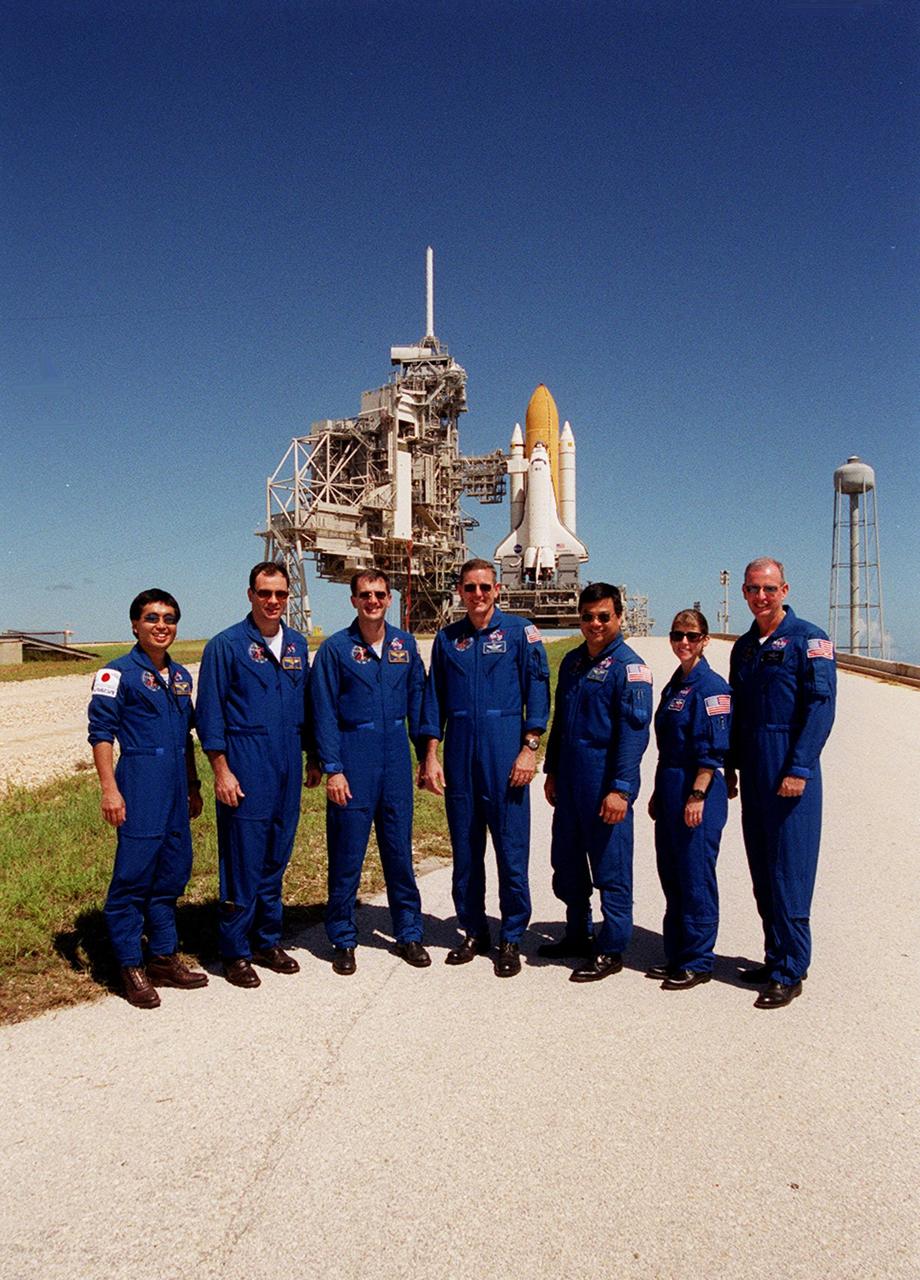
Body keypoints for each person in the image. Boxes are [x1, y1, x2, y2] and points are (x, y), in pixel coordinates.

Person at [419, 558, 550, 977]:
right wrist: (430, 755)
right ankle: (473, 930)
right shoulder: (447, 639)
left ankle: (511, 936)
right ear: (459, 591)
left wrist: (529, 747)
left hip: (505, 753)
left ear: (497, 590)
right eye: (470, 587)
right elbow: (433, 700)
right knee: (466, 850)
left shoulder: (519, 633)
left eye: (485, 587)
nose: (478, 594)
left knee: (511, 851)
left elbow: (538, 691)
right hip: (460, 755)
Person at [196, 562, 320, 987]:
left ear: (288, 597)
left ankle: (267, 940)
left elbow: (304, 706)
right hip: (245, 763)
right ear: (250, 594)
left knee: (276, 855)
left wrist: (314, 756)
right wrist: (221, 770)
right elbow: (210, 714)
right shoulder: (226, 646)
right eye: (265, 593)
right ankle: (234, 950)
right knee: (243, 859)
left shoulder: (297, 645)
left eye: (281, 595)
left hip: (287, 760)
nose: (273, 602)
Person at [88, 590, 208, 1008]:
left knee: (172, 873)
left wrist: (193, 786)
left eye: (170, 618)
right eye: (152, 618)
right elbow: (101, 735)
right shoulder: (115, 673)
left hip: (176, 785)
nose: (162, 625)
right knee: (133, 877)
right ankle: (128, 964)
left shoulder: (180, 677)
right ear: (135, 625)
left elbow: (187, 737)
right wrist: (109, 789)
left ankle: (162, 956)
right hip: (139, 781)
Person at [725, 557, 836, 1010]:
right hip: (753, 768)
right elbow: (736, 712)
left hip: (789, 768)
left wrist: (799, 767)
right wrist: (729, 766)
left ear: (784, 590)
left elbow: (821, 707)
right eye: (753, 589)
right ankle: (774, 956)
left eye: (769, 589)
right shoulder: (745, 648)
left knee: (790, 871)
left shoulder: (811, 640)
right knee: (762, 870)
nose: (761, 597)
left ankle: (792, 969)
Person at [310, 569, 429, 975]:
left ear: (389, 598)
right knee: (347, 854)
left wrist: (427, 755)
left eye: (379, 594)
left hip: (395, 755)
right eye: (365, 595)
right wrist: (333, 769)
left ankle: (410, 932)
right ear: (353, 600)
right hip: (353, 756)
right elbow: (322, 712)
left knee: (399, 851)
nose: (373, 601)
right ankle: (343, 937)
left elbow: (419, 702)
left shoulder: (404, 645)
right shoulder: (336, 650)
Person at [542, 582, 653, 982]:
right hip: (570, 782)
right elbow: (560, 724)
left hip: (604, 782)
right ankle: (577, 933)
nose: (595, 624)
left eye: (604, 616)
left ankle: (611, 947)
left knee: (611, 868)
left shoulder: (630, 668)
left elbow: (634, 734)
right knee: (567, 864)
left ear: (619, 617)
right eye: (588, 616)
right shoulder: (572, 663)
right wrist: (552, 770)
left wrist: (621, 789)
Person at [646, 609, 731, 990]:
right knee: (673, 876)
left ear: (705, 640)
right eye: (678, 634)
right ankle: (677, 952)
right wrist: (657, 792)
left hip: (698, 791)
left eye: (692, 636)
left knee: (695, 876)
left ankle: (698, 959)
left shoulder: (712, 688)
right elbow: (665, 747)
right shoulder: (675, 685)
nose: (684, 642)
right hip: (670, 784)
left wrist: (697, 794)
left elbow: (713, 753)